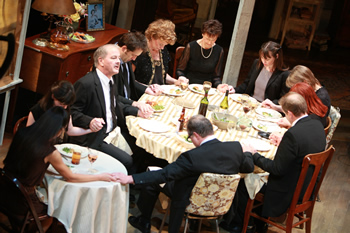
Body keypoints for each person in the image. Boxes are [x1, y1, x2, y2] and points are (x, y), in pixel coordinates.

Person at [113, 115, 255, 233]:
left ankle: (144, 220)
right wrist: (248, 153)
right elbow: (248, 167)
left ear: (196, 135)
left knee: (152, 173)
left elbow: (164, 175)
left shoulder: (191, 157)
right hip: (220, 203)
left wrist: (130, 178)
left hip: (190, 200)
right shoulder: (235, 148)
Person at [221, 92, 326, 233]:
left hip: (288, 191)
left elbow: (276, 169)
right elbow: (303, 147)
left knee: (245, 179)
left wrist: (254, 154)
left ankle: (240, 225)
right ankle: (257, 222)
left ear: (289, 113)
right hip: (308, 187)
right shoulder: (316, 124)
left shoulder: (293, 134)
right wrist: (284, 144)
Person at [0, 107, 116, 232]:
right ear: (59, 129)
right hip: (23, 202)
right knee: (56, 211)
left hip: (4, 189)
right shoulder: (49, 151)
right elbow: (70, 177)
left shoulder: (22, 133)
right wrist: (99, 176)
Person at [70, 44, 152, 172]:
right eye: (113, 58)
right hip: (95, 137)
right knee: (127, 161)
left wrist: (137, 111)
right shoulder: (86, 83)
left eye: (118, 58)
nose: (118, 62)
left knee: (143, 146)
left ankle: (128, 186)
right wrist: (90, 121)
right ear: (101, 61)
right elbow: (72, 112)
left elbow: (114, 105)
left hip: (113, 131)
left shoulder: (110, 81)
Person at [26, 80, 93, 137]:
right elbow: (28, 133)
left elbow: (70, 130)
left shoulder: (65, 109)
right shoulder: (39, 109)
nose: (65, 107)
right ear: (53, 96)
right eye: (61, 104)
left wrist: (91, 129)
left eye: (67, 105)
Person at [176, 19, 228, 91]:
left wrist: (219, 85)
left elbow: (216, 77)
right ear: (203, 34)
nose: (210, 42)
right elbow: (180, 70)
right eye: (207, 39)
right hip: (189, 85)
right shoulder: (191, 46)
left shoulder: (219, 50)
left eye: (213, 40)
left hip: (207, 88)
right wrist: (182, 77)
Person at [133, 19, 188, 85]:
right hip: (142, 93)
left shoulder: (163, 51)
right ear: (152, 36)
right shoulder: (139, 51)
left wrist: (175, 81)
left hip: (160, 91)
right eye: (160, 44)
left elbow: (162, 75)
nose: (162, 48)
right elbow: (130, 79)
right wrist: (146, 88)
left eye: (165, 45)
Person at [116, 31, 163, 103]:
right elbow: (111, 95)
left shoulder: (125, 58)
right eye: (133, 55)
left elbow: (130, 83)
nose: (134, 59)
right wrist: (134, 105)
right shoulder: (110, 64)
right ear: (124, 49)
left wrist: (147, 89)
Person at [263, 82, 328, 129]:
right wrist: (276, 107)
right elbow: (293, 109)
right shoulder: (314, 105)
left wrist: (290, 123)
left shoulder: (313, 118)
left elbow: (303, 131)